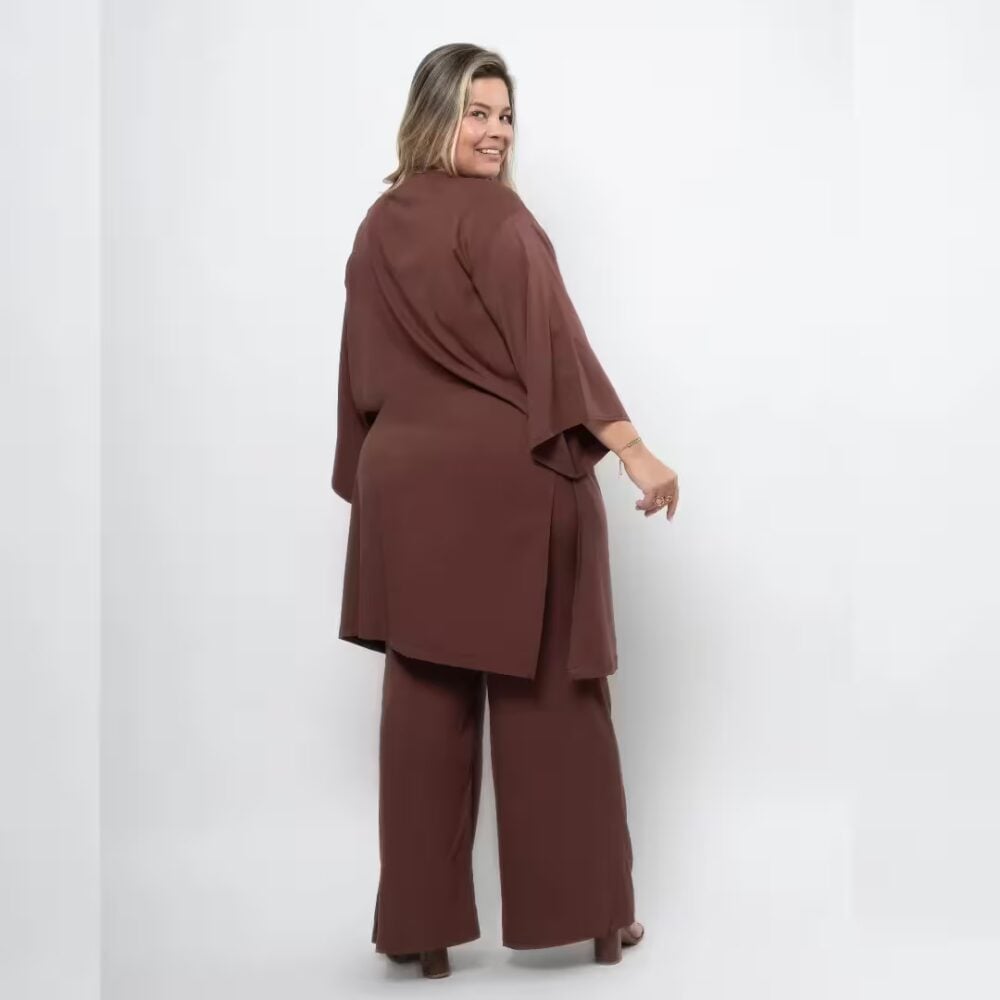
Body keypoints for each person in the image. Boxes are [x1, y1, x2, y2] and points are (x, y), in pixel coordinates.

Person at [331, 44, 679, 980]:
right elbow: (553, 344)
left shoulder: (376, 225)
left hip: (406, 492)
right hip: (511, 487)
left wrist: (380, 480)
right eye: (477, 113)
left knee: (424, 710)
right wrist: (632, 448)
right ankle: (593, 915)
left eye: (506, 116)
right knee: (554, 703)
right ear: (433, 117)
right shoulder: (497, 216)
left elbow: (361, 372)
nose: (497, 134)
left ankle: (420, 930)